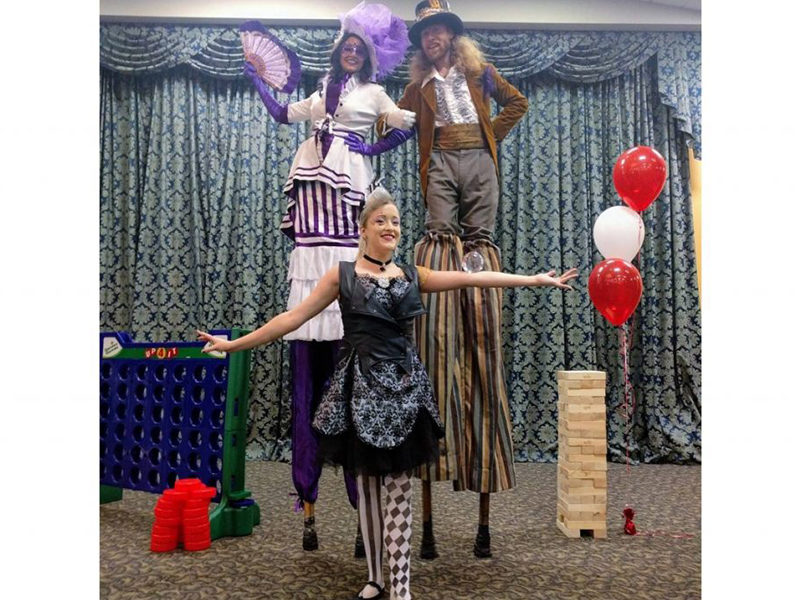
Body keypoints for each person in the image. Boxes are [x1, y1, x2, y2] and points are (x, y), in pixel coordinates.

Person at [198, 190, 578, 600]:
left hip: (403, 393)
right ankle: (376, 576)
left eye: (395, 221)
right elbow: (291, 318)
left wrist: (535, 280)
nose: (391, 227)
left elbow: (473, 278)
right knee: (369, 492)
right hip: (358, 393)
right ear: (363, 230)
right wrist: (233, 346)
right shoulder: (340, 276)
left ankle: (400, 585)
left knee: (399, 491)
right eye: (381, 220)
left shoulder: (414, 276)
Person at [242, 2, 416, 551]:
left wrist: (374, 145)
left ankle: (361, 505)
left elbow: (406, 127)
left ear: (368, 53)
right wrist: (261, 84)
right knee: (308, 381)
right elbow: (282, 115)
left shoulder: (374, 95)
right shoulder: (323, 94)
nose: (350, 50)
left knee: (354, 366)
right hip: (313, 213)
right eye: (345, 43)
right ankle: (309, 498)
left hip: (349, 199)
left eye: (358, 45)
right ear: (337, 48)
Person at [367, 0, 529, 559]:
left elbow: (518, 103)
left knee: (479, 239)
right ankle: (444, 254)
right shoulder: (417, 89)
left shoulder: (479, 73)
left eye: (440, 31)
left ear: (451, 36)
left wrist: (490, 136)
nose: (433, 39)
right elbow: (396, 125)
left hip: (477, 158)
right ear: (421, 44)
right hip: (439, 163)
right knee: (440, 227)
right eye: (426, 35)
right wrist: (373, 138)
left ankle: (476, 258)